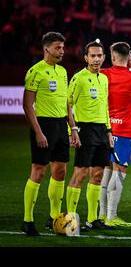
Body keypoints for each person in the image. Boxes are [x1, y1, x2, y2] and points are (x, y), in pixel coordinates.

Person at [21, 32, 80, 236]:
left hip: (61, 128)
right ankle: (27, 220)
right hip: (43, 125)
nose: (62, 51)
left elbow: (66, 104)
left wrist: (73, 128)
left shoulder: (63, 72)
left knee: (60, 172)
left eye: (63, 47)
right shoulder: (35, 71)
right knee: (38, 171)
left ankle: (54, 218)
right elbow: (27, 105)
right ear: (46, 49)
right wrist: (38, 132)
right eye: (57, 48)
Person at [66, 40, 115, 230]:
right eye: (92, 56)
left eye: (99, 56)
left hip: (102, 130)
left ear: (104, 57)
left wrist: (109, 131)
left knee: (97, 174)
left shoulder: (104, 79)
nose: (96, 59)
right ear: (85, 57)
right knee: (80, 174)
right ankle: (71, 219)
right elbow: (68, 105)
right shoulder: (79, 78)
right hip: (84, 129)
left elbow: (105, 107)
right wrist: (73, 130)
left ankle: (92, 219)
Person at [99, 42, 131, 227]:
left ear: (112, 56)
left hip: (105, 129)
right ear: (128, 57)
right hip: (123, 131)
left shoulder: (103, 74)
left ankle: (102, 214)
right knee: (120, 171)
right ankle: (112, 216)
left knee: (107, 169)